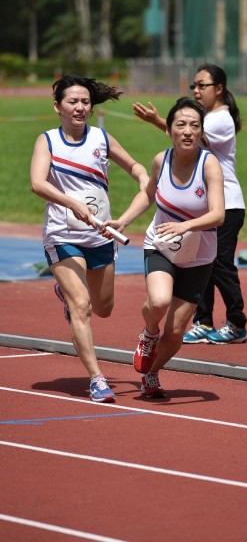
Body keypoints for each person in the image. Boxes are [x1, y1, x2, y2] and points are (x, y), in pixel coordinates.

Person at [30, 73, 149, 403]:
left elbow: (137, 168)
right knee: (81, 306)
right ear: (58, 107)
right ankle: (97, 379)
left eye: (85, 101)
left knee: (103, 308)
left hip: (100, 236)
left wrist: (142, 181)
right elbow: (38, 183)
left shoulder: (101, 138)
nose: (80, 107)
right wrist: (71, 203)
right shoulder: (48, 141)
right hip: (63, 234)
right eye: (72, 102)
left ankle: (67, 294)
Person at [102, 97, 225, 398]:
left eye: (194, 126)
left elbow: (219, 214)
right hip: (161, 245)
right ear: (169, 129)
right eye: (180, 125)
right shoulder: (161, 160)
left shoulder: (209, 165)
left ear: (201, 132)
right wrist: (124, 220)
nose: (187, 131)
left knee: (176, 331)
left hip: (198, 255)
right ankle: (148, 333)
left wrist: (186, 225)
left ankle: (152, 373)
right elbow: (147, 194)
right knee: (158, 302)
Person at [133, 63, 247, 344]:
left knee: (219, 263)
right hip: (199, 204)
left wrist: (160, 122)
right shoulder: (207, 116)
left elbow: (190, 140)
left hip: (225, 204)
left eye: (202, 85)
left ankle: (236, 322)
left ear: (219, 89)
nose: (196, 91)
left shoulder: (219, 119)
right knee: (200, 261)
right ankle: (204, 321)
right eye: (193, 86)